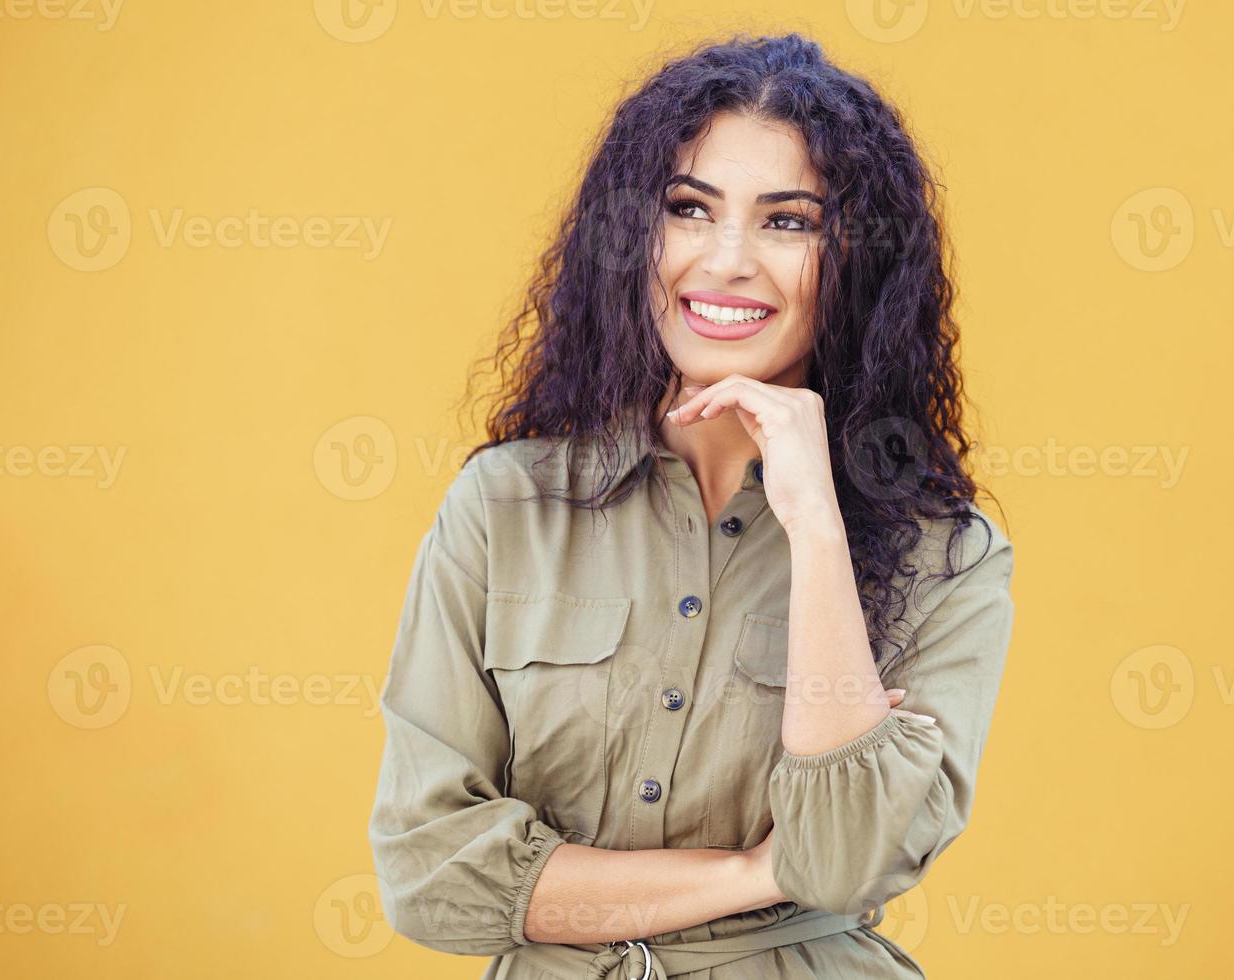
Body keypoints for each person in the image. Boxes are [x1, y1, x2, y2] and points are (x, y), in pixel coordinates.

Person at [368, 32, 1016, 979]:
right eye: (688, 209)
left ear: (859, 261)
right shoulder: (503, 506)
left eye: (789, 222)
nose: (727, 261)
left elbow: (847, 859)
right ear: (635, 234)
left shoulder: (944, 555)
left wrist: (818, 523)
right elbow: (431, 876)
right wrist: (757, 872)